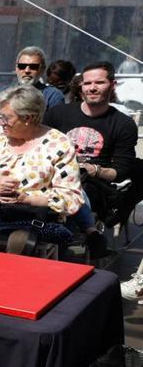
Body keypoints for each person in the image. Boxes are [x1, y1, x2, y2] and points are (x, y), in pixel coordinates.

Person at [0, 85, 83, 253]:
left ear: (29, 118)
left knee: (21, 241)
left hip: (32, 218)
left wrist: (27, 199)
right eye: (0, 116)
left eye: (6, 118)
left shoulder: (58, 144)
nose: (0, 123)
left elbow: (70, 197)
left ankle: (8, 278)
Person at [43, 61, 138, 242]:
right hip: (51, 176)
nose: (92, 88)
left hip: (93, 185)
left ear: (112, 85)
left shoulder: (123, 124)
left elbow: (122, 171)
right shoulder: (57, 114)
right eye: (87, 83)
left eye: (99, 83)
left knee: (79, 192)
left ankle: (63, 246)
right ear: (80, 86)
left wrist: (95, 170)